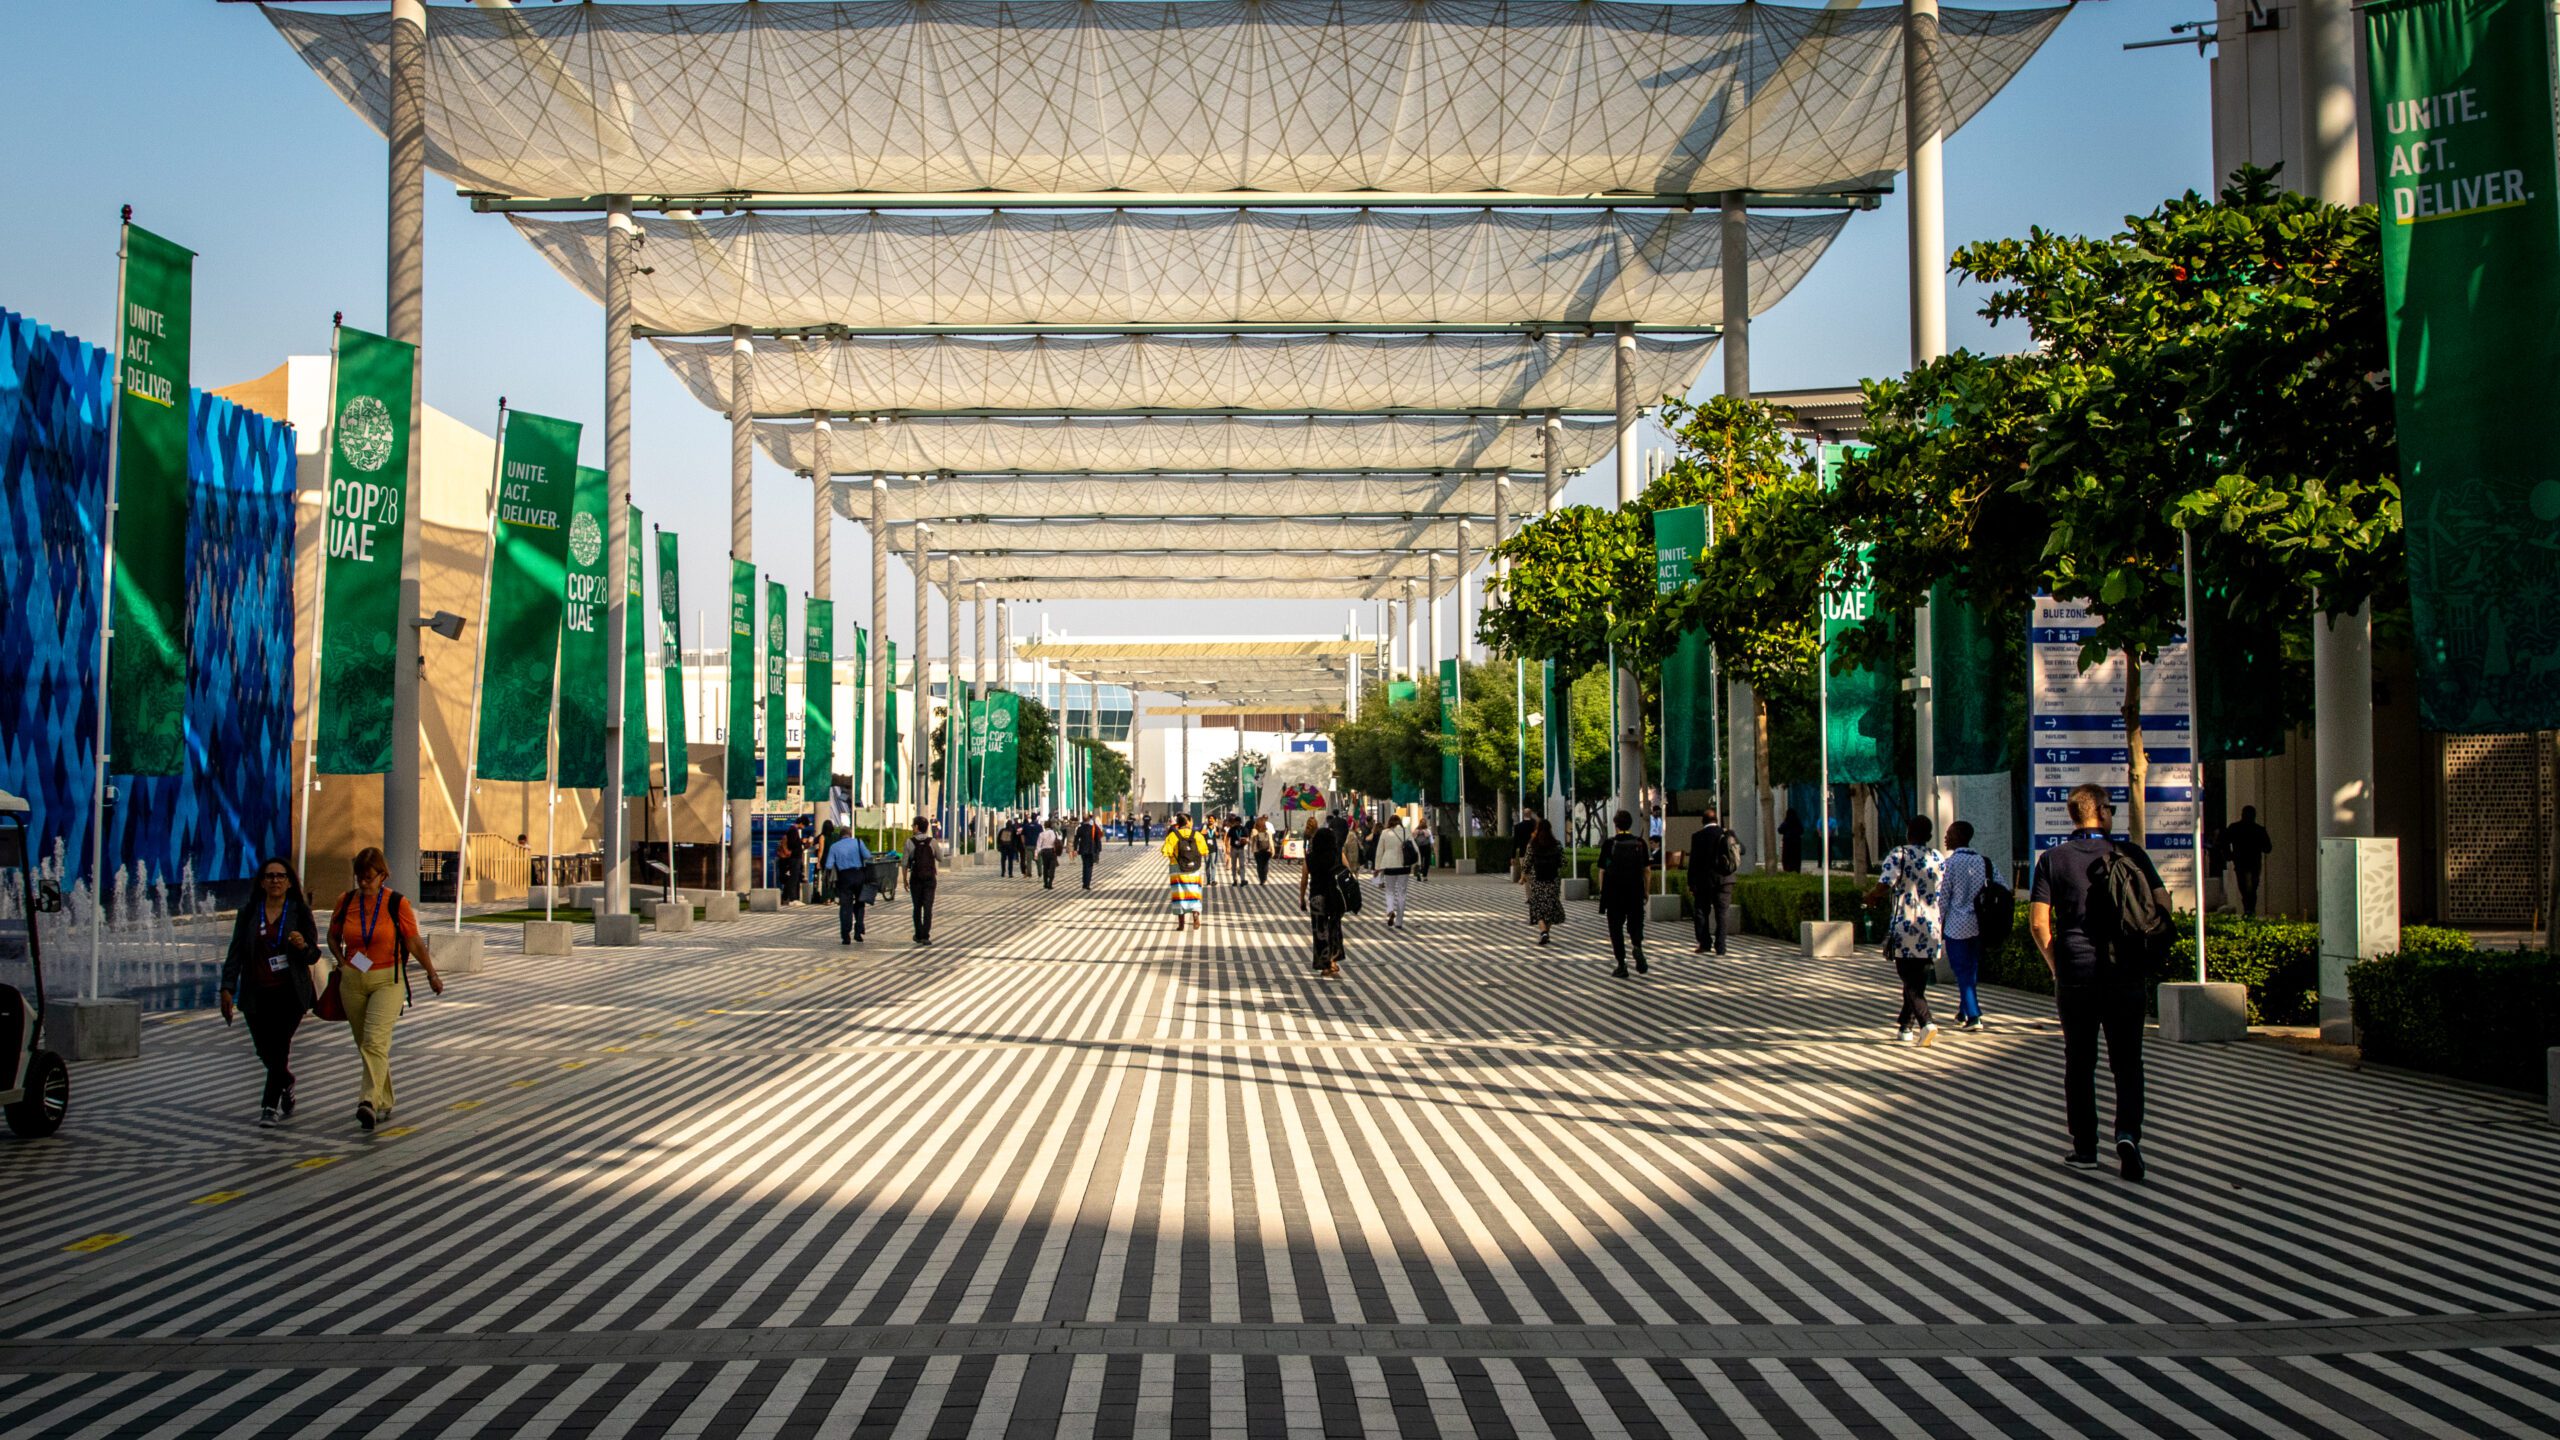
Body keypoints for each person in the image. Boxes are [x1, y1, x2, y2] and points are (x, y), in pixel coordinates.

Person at [2029, 782, 2170, 1180]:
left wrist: (2057, 965)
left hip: (2076, 974)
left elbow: (2039, 924)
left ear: (2073, 815)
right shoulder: (2131, 854)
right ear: (2103, 812)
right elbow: (2163, 903)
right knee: (2127, 1063)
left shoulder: (2053, 859)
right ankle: (2127, 1134)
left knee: (2079, 1062)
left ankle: (2085, 1148)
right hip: (2125, 973)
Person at [325, 846, 444, 1132]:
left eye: (369, 878)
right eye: (359, 878)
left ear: (383, 876)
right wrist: (342, 963)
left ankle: (367, 1100)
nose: (364, 884)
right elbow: (332, 936)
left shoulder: (396, 904)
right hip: (353, 980)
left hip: (387, 980)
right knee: (366, 1045)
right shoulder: (346, 901)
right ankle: (385, 1098)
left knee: (374, 1041)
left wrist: (431, 973)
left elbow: (413, 941)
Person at [219, 857, 321, 1126]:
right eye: (269, 876)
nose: (275, 881)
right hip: (257, 993)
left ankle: (269, 1106)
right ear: (262, 882)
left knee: (279, 1048)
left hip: (290, 994)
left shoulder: (299, 911)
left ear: (289, 882)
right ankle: (287, 1081)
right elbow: (236, 953)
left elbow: (313, 955)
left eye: (280, 876)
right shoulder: (250, 912)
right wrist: (227, 988)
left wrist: (302, 946)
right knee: (264, 1051)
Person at [1868, 818, 1945, 1046]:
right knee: (1917, 978)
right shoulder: (1938, 857)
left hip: (1906, 924)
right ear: (1929, 834)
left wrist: (1871, 896)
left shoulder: (1899, 854)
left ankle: (1926, 1022)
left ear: (1908, 831)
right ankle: (1905, 1027)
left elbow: (1885, 883)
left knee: (1908, 978)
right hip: (1931, 926)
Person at [1937, 821, 1995, 1031]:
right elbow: (2002, 887)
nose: (1946, 838)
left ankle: (1974, 1016)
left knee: (1961, 970)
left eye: (1949, 834)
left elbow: (1943, 898)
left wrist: (1938, 924)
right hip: (1980, 924)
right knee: (1970, 969)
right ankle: (1963, 1011)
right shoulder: (1984, 862)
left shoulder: (1949, 864)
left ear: (1958, 837)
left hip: (1956, 926)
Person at [1597, 810, 1654, 978]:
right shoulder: (1640, 843)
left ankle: (1622, 964)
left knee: (1615, 928)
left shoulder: (1609, 844)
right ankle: (1637, 946)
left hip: (1614, 892)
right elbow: (1647, 870)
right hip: (1635, 890)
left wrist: (1602, 891)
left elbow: (1602, 870)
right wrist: (1646, 891)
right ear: (1630, 824)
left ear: (1616, 825)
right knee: (1636, 922)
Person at [1686, 809, 1740, 955]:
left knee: (1701, 911)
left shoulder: (1697, 837)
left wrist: (1691, 883)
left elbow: (1693, 862)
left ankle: (1704, 943)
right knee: (1722, 914)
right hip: (1726, 880)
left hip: (1704, 882)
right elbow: (1742, 850)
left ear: (1702, 821)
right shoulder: (1728, 834)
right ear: (1716, 820)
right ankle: (1721, 947)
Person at [1299, 815, 1347, 977]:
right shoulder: (1337, 855)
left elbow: (1304, 879)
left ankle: (1324, 964)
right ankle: (1333, 960)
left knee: (1320, 931)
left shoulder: (1310, 857)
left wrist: (1301, 899)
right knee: (1334, 928)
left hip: (1317, 897)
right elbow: (1347, 871)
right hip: (1335, 896)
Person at [826, 826, 876, 944]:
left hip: (843, 877)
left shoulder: (834, 847)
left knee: (845, 906)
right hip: (859, 875)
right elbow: (868, 856)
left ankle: (845, 935)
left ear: (840, 835)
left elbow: (828, 865)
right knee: (860, 903)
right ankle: (858, 932)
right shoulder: (858, 842)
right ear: (850, 834)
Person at [1162, 814, 1210, 930]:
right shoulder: (1197, 835)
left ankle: (1181, 924)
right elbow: (1205, 851)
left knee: (1179, 895)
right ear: (1188, 822)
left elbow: (1165, 852)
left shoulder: (1173, 835)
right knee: (1194, 892)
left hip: (1176, 868)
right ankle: (1195, 914)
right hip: (1194, 869)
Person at [1524, 818, 1566, 946]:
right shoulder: (1557, 845)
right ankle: (1546, 932)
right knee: (1551, 906)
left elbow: (1527, 864)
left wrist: (1524, 875)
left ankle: (1543, 932)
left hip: (1537, 880)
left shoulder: (1533, 845)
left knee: (1538, 906)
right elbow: (1564, 862)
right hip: (1553, 879)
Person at [2223, 804, 2272, 916]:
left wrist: (2229, 855)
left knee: (2248, 889)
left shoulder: (2238, 828)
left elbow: (2268, 848)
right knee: (2249, 889)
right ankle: (2249, 910)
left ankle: (2249, 910)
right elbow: (2223, 842)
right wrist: (2228, 855)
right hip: (2245, 862)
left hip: (2247, 863)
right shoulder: (2255, 830)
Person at [1374, 814, 1417, 928]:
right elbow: (1415, 848)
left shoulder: (1385, 833)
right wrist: (1418, 864)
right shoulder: (1405, 831)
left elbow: (1379, 851)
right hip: (1404, 866)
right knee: (1402, 893)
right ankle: (1399, 922)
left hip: (1389, 865)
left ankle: (1390, 909)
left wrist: (1377, 867)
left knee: (1390, 890)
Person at [906, 817, 941, 943]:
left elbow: (904, 863)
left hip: (915, 879)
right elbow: (940, 858)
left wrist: (904, 880)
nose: (912, 828)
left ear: (916, 827)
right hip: (930, 879)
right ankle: (925, 935)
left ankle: (918, 934)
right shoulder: (932, 842)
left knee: (917, 907)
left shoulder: (910, 842)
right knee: (928, 907)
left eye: (912, 826)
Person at [1075, 814, 1104, 889]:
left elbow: (1076, 839)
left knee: (1084, 866)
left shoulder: (1080, 829)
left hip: (1083, 850)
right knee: (1089, 867)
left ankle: (1084, 883)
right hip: (1091, 849)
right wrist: (1098, 848)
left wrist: (1075, 849)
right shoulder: (1093, 828)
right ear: (1088, 820)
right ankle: (1087, 884)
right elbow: (1097, 839)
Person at [1035, 818, 1064, 889]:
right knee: (1052, 868)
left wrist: (1037, 853)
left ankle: (1045, 883)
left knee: (1045, 867)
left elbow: (1038, 845)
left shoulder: (1041, 834)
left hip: (1044, 852)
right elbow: (1057, 840)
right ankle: (1050, 883)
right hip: (1052, 852)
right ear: (1050, 826)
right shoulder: (1052, 833)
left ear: (1044, 826)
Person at [1250, 817, 1274, 885]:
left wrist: (1252, 849)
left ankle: (1261, 879)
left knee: (1259, 865)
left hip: (1257, 851)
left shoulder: (1254, 831)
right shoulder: (1268, 832)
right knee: (1265, 864)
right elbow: (1271, 841)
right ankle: (1265, 877)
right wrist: (1273, 850)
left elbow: (1252, 841)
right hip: (1267, 850)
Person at [1779, 808, 1805, 873]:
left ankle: (1788, 869)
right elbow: (1801, 831)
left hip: (1787, 842)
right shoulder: (1798, 822)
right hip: (1796, 843)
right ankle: (1796, 870)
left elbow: (1780, 830)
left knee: (1787, 857)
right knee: (1796, 857)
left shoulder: (1786, 822)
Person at [1412, 817, 1435, 882]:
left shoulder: (1416, 831)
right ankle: (1425, 876)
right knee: (1427, 862)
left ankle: (1419, 872)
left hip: (1419, 847)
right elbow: (1431, 840)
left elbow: (1413, 839)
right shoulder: (1428, 830)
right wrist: (1432, 847)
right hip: (1427, 847)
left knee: (1419, 861)